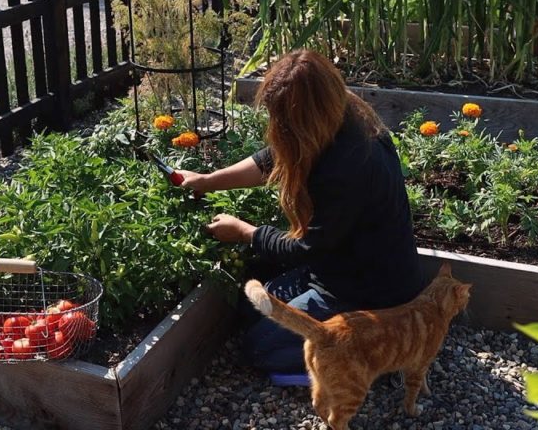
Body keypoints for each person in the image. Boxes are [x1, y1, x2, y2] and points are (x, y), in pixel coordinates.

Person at [177, 49, 424, 376]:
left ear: (304, 118)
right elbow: (274, 157)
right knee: (252, 308)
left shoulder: (347, 167)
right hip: (340, 270)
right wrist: (209, 181)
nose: (275, 125)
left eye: (281, 119)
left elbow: (306, 248)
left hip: (371, 296)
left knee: (262, 349)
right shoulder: (344, 117)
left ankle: (374, 358)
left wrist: (245, 232)